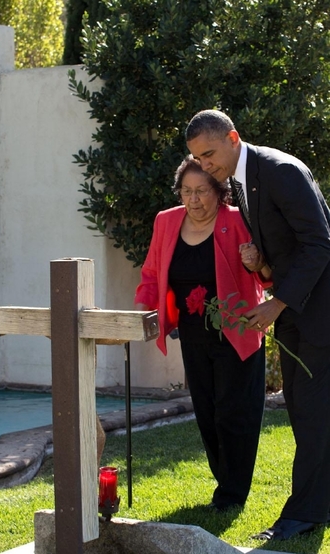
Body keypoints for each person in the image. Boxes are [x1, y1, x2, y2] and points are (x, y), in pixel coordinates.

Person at [186, 109, 330, 540]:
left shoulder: (281, 170)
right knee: (305, 408)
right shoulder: (240, 180)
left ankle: (302, 516)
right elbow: (286, 249)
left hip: (329, 305)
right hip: (296, 305)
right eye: (197, 157)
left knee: (316, 409)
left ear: (233, 138)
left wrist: (276, 303)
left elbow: (319, 244)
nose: (205, 165)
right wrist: (263, 267)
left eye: (209, 154)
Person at [134, 155, 268, 512]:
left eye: (201, 191)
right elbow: (151, 274)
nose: (193, 199)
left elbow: (267, 273)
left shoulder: (239, 221)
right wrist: (141, 313)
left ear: (219, 192)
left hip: (238, 331)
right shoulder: (166, 222)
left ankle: (232, 494)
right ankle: (225, 479)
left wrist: (256, 263)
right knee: (207, 413)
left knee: (234, 413)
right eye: (186, 191)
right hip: (193, 334)